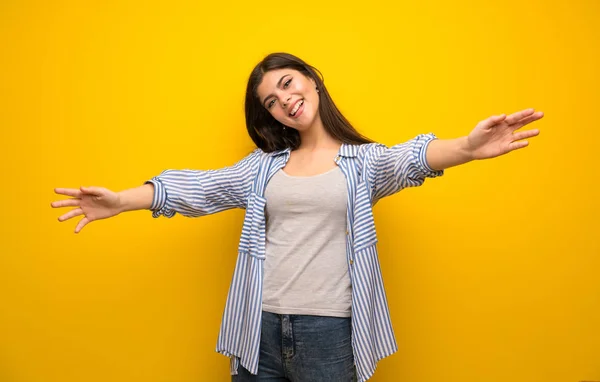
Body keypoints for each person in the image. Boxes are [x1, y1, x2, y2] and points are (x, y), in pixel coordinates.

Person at [51, 52, 543, 382]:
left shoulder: (365, 163)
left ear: (312, 80)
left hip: (329, 333)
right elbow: (196, 188)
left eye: (287, 84)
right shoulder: (261, 169)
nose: (285, 99)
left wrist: (468, 147)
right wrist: (120, 201)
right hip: (256, 326)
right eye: (271, 100)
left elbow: (415, 158)